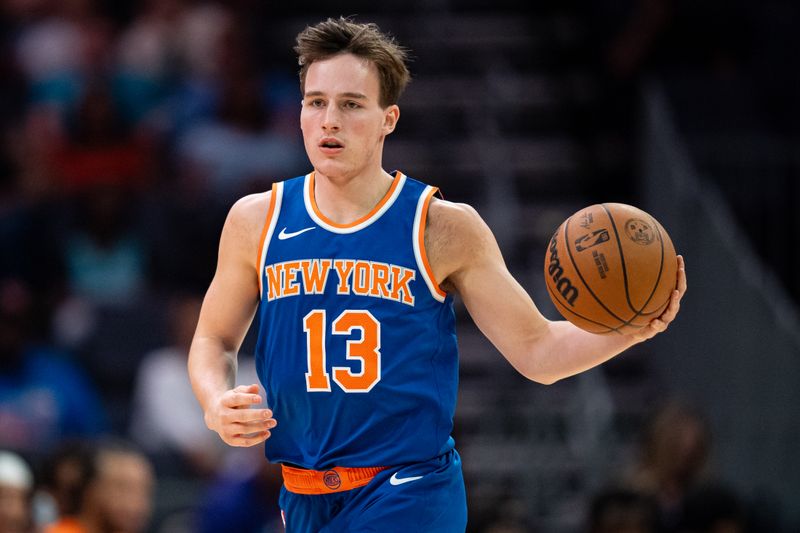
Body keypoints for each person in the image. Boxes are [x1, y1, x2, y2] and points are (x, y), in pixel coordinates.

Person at [188, 17, 687, 532]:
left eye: (351, 104)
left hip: (409, 490)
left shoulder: (441, 225)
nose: (329, 120)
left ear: (389, 118)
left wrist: (632, 328)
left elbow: (538, 352)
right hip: (304, 490)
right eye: (316, 102)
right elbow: (214, 337)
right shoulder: (256, 219)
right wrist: (214, 399)